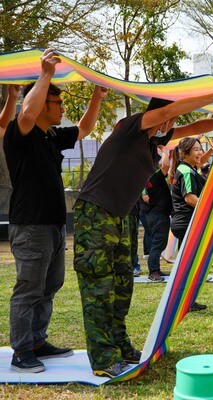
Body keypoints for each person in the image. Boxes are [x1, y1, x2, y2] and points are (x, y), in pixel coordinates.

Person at [74, 83, 213, 378]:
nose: (172, 126)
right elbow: (172, 110)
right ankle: (102, 358)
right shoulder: (130, 126)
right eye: (170, 121)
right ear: (159, 115)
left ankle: (120, 344)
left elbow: (196, 125)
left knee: (123, 284)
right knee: (99, 285)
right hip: (96, 213)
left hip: (122, 216)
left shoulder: (153, 140)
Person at [4, 48, 107, 373]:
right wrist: (44, 74)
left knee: (50, 285)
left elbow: (85, 128)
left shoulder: (51, 136)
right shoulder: (21, 135)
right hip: (30, 225)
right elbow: (24, 115)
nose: (62, 108)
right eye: (58, 103)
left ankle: (37, 341)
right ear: (43, 103)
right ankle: (21, 352)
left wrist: (97, 96)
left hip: (53, 224)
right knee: (29, 289)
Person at [170, 137, 211, 311]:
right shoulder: (186, 171)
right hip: (186, 222)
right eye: (196, 149)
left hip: (185, 221)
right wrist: (210, 208)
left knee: (188, 264)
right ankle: (184, 301)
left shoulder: (188, 169)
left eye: (200, 149)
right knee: (188, 264)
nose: (200, 152)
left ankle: (187, 300)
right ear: (185, 153)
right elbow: (190, 198)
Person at [145, 148, 172, 281]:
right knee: (158, 244)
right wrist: (165, 151)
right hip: (158, 216)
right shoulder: (154, 176)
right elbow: (166, 165)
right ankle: (153, 272)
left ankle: (156, 270)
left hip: (157, 215)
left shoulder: (148, 177)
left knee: (160, 243)